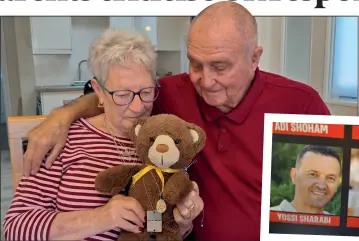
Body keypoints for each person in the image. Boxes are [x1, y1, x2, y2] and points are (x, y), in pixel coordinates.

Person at [19, 2, 331, 241]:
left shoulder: (301, 104)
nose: (206, 81)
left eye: (220, 67)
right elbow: (119, 95)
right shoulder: (171, 93)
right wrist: (63, 115)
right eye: (195, 64)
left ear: (255, 57)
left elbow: (331, 199)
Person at [3, 29, 203, 241]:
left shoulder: (162, 142)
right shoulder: (65, 140)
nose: (138, 107)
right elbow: (16, 227)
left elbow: (161, 226)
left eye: (146, 92)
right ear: (98, 90)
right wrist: (101, 218)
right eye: (123, 95)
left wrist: (183, 222)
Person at [270, 145, 341, 215]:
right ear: (294, 176)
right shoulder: (268, 217)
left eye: (330, 178)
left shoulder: (336, 223)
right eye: (313, 174)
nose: (321, 186)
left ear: (337, 184)